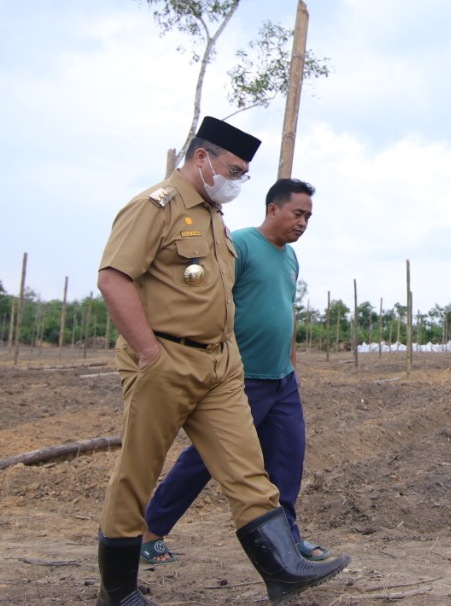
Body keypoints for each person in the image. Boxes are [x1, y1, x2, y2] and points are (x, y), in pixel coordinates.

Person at [94, 117, 349, 606]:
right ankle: (119, 591)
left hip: (221, 366)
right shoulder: (155, 208)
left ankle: (283, 570)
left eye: (243, 173)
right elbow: (113, 279)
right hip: (165, 360)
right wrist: (148, 351)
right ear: (201, 158)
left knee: (246, 468)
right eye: (233, 169)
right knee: (137, 473)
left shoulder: (213, 217)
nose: (237, 181)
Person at [141, 178, 331, 564]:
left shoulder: (290, 258)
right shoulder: (240, 245)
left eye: (309, 217)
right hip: (241, 378)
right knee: (204, 460)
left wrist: (292, 366)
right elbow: (213, 301)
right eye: (298, 214)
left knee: (287, 461)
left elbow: (285, 311)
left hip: (281, 381)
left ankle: (287, 541)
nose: (303, 223)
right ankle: (150, 530)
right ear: (273, 209)